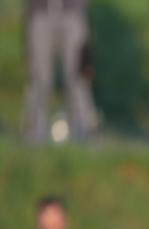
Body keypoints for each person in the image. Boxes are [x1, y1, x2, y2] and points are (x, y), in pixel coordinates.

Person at [22, 0, 99, 143]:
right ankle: (34, 131)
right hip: (40, 11)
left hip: (72, 12)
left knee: (78, 76)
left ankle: (85, 128)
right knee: (39, 77)